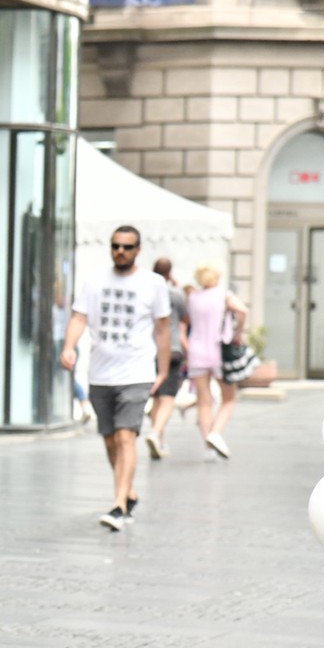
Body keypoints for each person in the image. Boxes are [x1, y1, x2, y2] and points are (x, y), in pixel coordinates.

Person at [60, 225, 170, 532]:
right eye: (116, 246)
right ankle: (128, 492)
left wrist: (163, 369)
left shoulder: (153, 283)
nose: (120, 251)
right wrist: (69, 347)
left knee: (126, 437)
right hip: (101, 372)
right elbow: (79, 316)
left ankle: (119, 504)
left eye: (127, 247)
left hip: (136, 372)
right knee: (110, 440)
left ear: (138, 250)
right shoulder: (94, 280)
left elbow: (162, 328)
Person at [187, 262, 249, 460]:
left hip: (196, 351)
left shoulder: (193, 297)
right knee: (229, 398)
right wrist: (238, 332)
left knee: (204, 402)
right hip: (218, 350)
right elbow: (243, 310)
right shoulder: (224, 295)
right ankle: (215, 433)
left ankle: (208, 447)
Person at [145, 257, 189, 460]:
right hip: (171, 350)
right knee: (168, 398)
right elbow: (186, 320)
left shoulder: (146, 292)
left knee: (156, 397)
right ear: (169, 273)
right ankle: (156, 434)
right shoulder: (174, 295)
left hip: (149, 349)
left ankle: (160, 439)